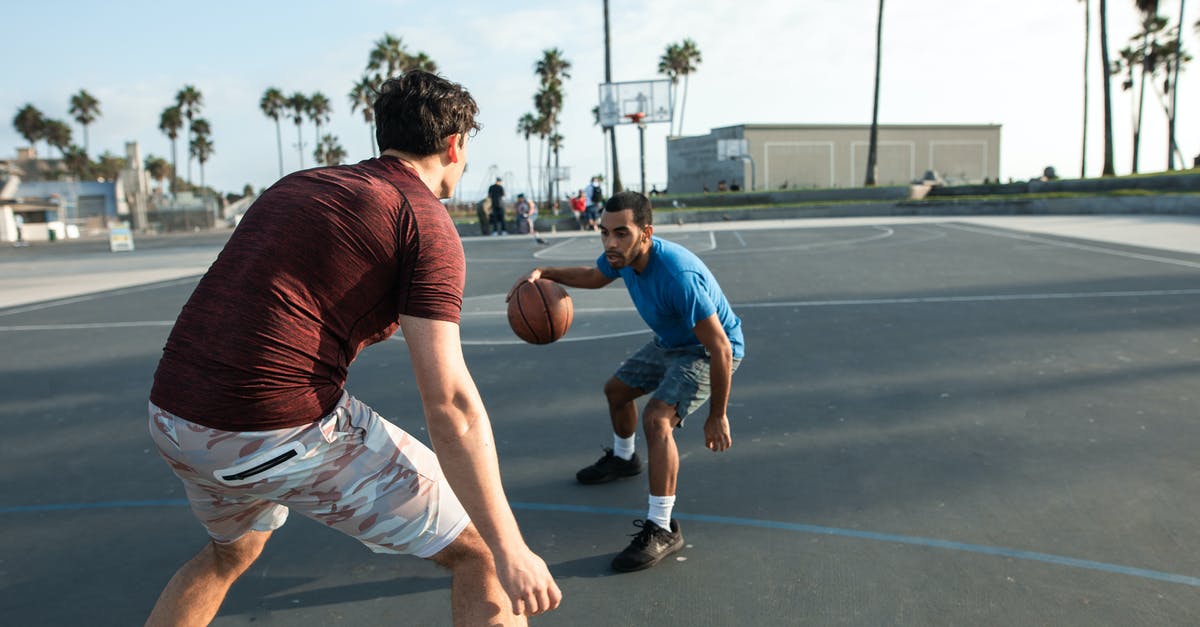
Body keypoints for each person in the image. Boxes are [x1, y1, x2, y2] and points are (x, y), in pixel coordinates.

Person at [145, 70, 561, 626]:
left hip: (174, 417)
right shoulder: (422, 219)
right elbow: (451, 405)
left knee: (234, 550)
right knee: (481, 551)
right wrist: (512, 549)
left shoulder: (297, 185)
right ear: (456, 145)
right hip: (271, 429)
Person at [508, 191, 744, 573]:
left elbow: (720, 347)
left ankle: (663, 526)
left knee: (657, 420)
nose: (610, 243)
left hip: (703, 350)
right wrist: (546, 273)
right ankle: (623, 459)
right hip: (670, 342)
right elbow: (594, 277)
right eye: (604, 233)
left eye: (621, 234)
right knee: (616, 392)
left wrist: (718, 414)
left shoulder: (677, 276)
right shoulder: (623, 259)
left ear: (646, 233)